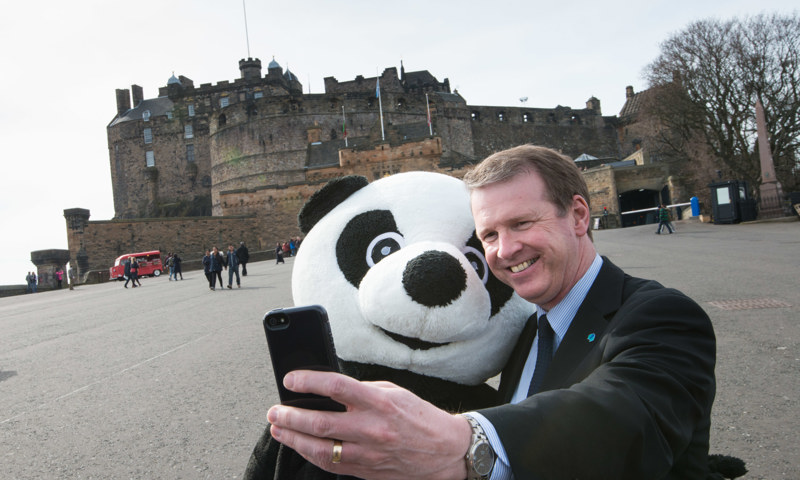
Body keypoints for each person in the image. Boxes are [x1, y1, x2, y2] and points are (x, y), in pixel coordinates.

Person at [266, 145, 716, 480]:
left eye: (521, 223)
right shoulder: (526, 332)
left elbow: (625, 417)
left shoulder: (662, 317)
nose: (505, 250)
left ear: (578, 215)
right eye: (489, 235)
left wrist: (465, 443)